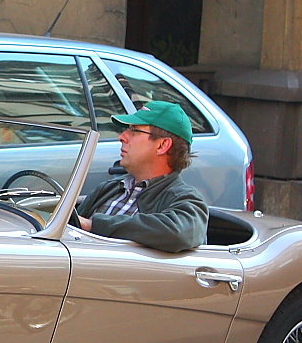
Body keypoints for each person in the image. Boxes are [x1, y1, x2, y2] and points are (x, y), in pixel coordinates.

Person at [76, 100, 208, 252]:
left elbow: (180, 233)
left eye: (134, 130)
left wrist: (94, 225)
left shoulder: (184, 198)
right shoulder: (109, 189)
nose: (122, 137)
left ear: (162, 145)